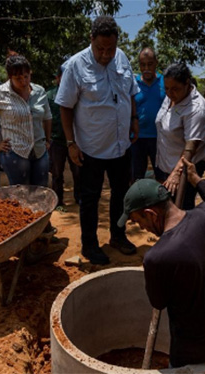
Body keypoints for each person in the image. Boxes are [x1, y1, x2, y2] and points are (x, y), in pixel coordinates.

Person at [118, 158, 205, 370]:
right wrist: (195, 179)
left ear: (151, 214)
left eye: (138, 221)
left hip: (191, 354)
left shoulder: (157, 257)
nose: (142, 228)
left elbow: (159, 302)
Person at [55, 15, 140, 265]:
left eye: (110, 49)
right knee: (90, 197)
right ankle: (90, 246)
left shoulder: (122, 57)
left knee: (121, 193)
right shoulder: (75, 65)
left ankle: (118, 236)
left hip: (121, 145)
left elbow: (130, 92)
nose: (105, 54)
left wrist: (134, 118)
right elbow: (65, 106)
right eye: (100, 49)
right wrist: (71, 143)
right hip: (90, 148)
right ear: (91, 40)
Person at [0, 54, 52, 188]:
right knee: (20, 196)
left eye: (26, 76)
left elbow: (47, 116)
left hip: (40, 151)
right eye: (18, 78)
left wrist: (47, 140)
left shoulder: (39, 91)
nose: (23, 81)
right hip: (15, 154)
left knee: (41, 194)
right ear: (10, 77)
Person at [155, 62, 205, 210]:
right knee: (168, 204)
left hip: (186, 164)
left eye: (174, 89)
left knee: (182, 206)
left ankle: (184, 232)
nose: (169, 93)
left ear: (187, 83)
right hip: (168, 162)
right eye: (166, 88)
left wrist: (176, 173)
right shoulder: (172, 96)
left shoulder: (196, 108)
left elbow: (191, 147)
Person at [47, 65, 80, 208]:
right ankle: (58, 201)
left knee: (78, 172)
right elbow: (46, 119)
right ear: (57, 78)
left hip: (74, 140)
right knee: (57, 173)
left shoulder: (77, 94)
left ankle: (79, 198)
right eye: (62, 76)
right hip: (57, 141)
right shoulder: (49, 96)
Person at [131, 47, 164, 181]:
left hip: (160, 138)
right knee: (136, 177)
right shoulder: (133, 84)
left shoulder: (164, 81)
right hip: (137, 138)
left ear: (156, 63)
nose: (146, 68)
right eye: (143, 65)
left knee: (162, 175)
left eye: (150, 64)